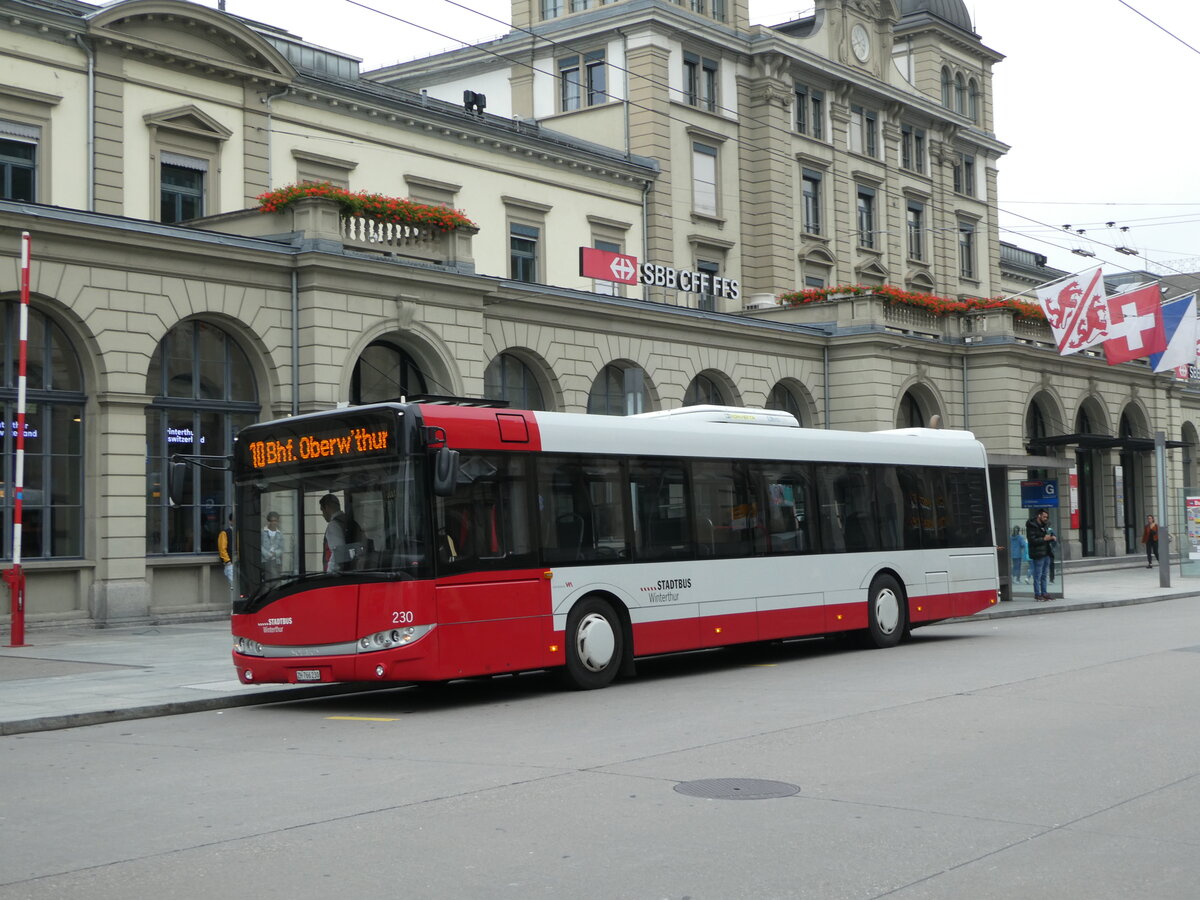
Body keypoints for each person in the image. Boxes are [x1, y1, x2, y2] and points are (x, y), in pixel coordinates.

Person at [320, 493, 359, 573]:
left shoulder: (333, 525)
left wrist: (330, 574)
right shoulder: (350, 521)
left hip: (337, 577)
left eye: (322, 510)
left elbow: (339, 553)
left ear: (327, 507)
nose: (322, 515)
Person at [1026, 508, 1057, 602]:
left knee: (1044, 574)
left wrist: (1052, 537)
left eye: (1046, 517)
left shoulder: (1045, 525)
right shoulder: (1032, 526)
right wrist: (1044, 539)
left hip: (1046, 552)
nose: (1045, 518)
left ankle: (1044, 593)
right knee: (1037, 574)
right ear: (1039, 516)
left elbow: (1046, 536)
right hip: (1038, 553)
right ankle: (1037, 594)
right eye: (1044, 516)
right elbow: (1032, 540)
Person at [261, 511, 285, 581]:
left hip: (276, 560)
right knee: (267, 578)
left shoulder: (280, 534)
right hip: (265, 560)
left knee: (276, 578)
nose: (274, 523)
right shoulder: (263, 532)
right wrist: (267, 554)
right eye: (272, 521)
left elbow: (282, 548)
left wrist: (275, 553)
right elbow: (260, 545)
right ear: (269, 521)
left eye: (275, 521)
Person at [217, 513, 234, 585]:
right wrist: (228, 562)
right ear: (230, 521)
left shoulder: (239, 533)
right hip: (230, 564)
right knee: (234, 585)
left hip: (239, 564)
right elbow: (222, 549)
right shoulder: (224, 533)